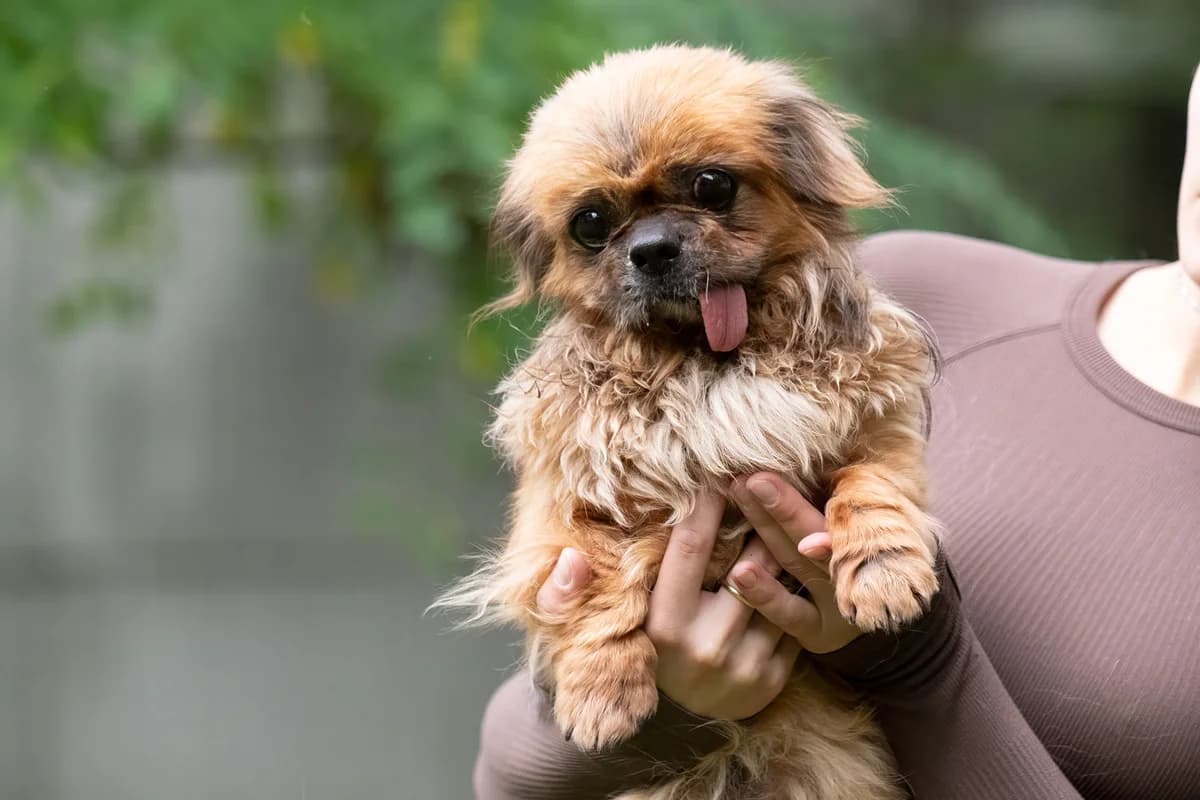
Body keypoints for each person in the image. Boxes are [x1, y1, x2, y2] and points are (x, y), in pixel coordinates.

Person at [471, 66, 1200, 799]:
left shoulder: (873, 336)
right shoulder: (917, 288)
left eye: (712, 190)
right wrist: (652, 685)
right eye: (595, 227)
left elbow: (873, 451)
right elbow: (511, 765)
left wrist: (911, 660)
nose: (654, 242)